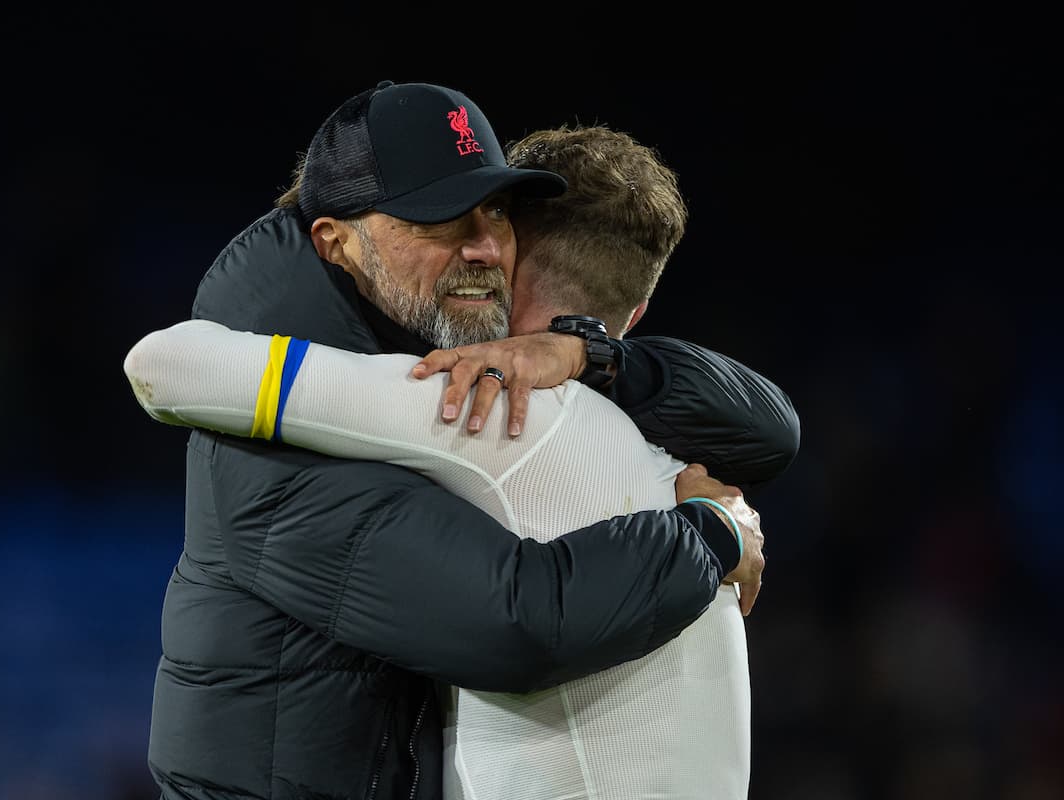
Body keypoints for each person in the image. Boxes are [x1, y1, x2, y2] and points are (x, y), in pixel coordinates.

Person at [130, 80, 783, 800]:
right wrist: (711, 534)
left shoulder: (445, 360)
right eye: (439, 218)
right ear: (336, 241)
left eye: (495, 212)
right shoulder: (274, 456)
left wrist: (596, 357)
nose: (482, 248)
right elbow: (514, 626)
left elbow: (768, 431)